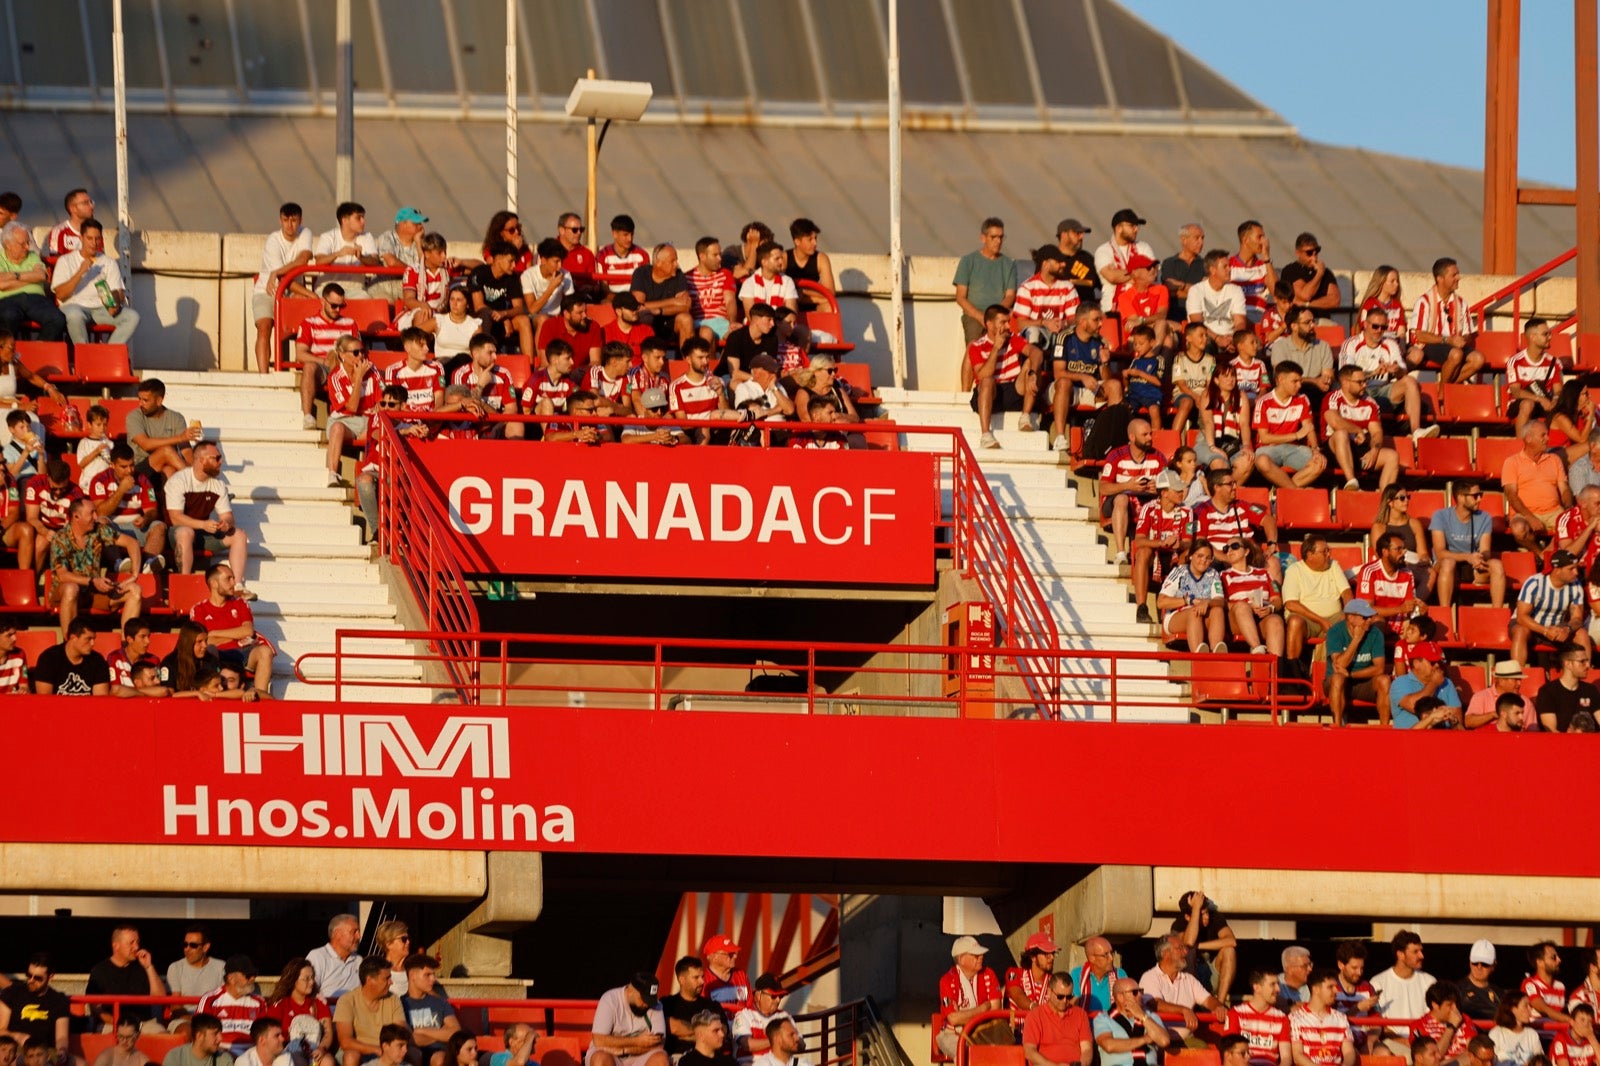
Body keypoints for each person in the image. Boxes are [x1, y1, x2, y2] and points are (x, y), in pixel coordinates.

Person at [1337, 309, 1436, 444]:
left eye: (1383, 327)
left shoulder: (1390, 344)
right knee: (1351, 385)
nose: (1379, 330)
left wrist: (1396, 370)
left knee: (1410, 381)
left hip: (1383, 392)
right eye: (1375, 326)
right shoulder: (1351, 344)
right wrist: (1373, 373)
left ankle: (1416, 431)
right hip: (1360, 393)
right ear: (1365, 325)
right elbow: (1345, 376)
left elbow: (1403, 370)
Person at [166, 441, 254, 594]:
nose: (221, 462)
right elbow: (175, 518)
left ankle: (238, 585)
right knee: (186, 532)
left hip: (202, 531)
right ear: (201, 460)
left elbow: (228, 517)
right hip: (176, 533)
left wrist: (226, 524)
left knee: (239, 535)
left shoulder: (218, 485)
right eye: (217, 458)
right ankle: (184, 582)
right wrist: (203, 524)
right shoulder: (179, 481)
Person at [51, 496, 144, 634]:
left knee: (134, 590)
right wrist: (92, 581)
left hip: (93, 592)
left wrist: (134, 575)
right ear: (76, 517)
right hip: (67, 592)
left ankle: (127, 644)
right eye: (91, 513)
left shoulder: (98, 530)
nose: (96, 517)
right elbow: (63, 575)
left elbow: (132, 543)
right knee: (72, 589)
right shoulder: (60, 538)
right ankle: (69, 643)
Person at [961, 303, 1042, 450]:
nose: (1007, 326)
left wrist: (1032, 374)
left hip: (1012, 390)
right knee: (987, 381)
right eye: (1003, 322)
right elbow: (983, 375)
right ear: (990, 325)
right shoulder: (977, 346)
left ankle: (1025, 418)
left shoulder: (1013, 339)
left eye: (1008, 322)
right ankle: (986, 435)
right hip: (988, 393)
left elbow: (1036, 352)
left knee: (1031, 363)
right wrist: (996, 348)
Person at [50, 218, 139, 345]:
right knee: (74, 316)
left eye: (97, 239)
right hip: (74, 306)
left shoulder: (108, 262)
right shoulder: (65, 260)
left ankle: (107, 355)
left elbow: (118, 291)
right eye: (89, 238)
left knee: (132, 317)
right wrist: (80, 272)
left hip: (101, 309)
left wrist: (114, 303)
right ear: (81, 238)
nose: (94, 243)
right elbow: (60, 294)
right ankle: (84, 356)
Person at [252, 203, 314, 373]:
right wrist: (311, 294)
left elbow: (303, 259)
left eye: (293, 220)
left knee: (310, 323)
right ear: (280, 220)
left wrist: (277, 272)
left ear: (300, 220)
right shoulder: (273, 240)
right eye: (286, 220)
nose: (289, 225)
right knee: (264, 326)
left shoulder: (306, 233)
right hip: (267, 292)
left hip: (293, 293)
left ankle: (305, 368)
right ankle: (263, 376)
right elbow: (284, 280)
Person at [1409, 257, 1485, 384]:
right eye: (1454, 275)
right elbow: (1419, 335)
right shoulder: (1424, 302)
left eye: (1458, 274)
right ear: (1440, 278)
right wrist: (1447, 340)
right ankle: (1443, 395)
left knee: (1479, 359)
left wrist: (1463, 340)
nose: (1458, 278)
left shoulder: (1461, 303)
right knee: (1456, 354)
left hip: (1455, 345)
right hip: (1431, 344)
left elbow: (1469, 334)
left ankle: (1444, 387)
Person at [1050, 305, 1116, 451]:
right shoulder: (1064, 337)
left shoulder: (1101, 342)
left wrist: (1105, 363)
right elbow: (1058, 373)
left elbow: (1107, 380)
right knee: (1064, 383)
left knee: (1115, 386)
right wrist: (1082, 376)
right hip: (1064, 389)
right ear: (1082, 322)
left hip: (1089, 390)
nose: (1100, 324)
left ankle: (1114, 440)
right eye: (1096, 320)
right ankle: (1060, 437)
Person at [1253, 361, 1327, 489]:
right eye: (1295, 381)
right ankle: (1293, 490)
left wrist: (1315, 449)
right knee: (1262, 462)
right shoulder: (1264, 402)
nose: (1299, 385)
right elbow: (1265, 438)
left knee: (1319, 463)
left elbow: (1309, 428)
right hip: (1269, 449)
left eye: (1300, 381)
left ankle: (1283, 490)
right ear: (1281, 379)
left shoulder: (1302, 399)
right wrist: (1296, 435)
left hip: (1294, 449)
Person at [1512, 549, 1591, 671]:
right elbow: (1521, 617)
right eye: (1571, 569)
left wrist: (1567, 629)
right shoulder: (1534, 583)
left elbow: (1577, 619)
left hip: (1557, 627)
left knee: (1582, 634)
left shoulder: (1576, 586)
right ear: (1557, 570)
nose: (1576, 573)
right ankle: (1516, 674)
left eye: (1576, 568)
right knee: (1520, 631)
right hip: (1531, 626)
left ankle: (1585, 677)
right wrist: (1545, 631)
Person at [1323, 365, 1399, 491]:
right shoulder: (1333, 398)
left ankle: (1386, 501)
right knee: (1341, 434)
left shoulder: (1370, 403)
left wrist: (1373, 452)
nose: (1364, 385)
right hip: (1334, 451)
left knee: (1392, 456)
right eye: (1360, 382)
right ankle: (1352, 482)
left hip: (1358, 449)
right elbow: (1335, 422)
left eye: (1365, 381)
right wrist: (1357, 430)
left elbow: (1377, 432)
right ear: (1345, 383)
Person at [1431, 483, 1506, 610]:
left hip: (1472, 566)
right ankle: (1445, 613)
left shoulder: (1485, 517)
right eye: (1475, 496)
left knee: (1497, 565)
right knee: (1448, 563)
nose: (1480, 499)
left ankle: (1497, 614)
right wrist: (1467, 557)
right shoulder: (1440, 516)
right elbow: (1440, 553)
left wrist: (1480, 558)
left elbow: (1485, 550)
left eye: (1480, 495)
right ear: (1460, 497)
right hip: (1448, 566)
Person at [1131, 470, 1191, 625]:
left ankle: (1180, 604)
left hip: (1175, 556)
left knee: (1188, 552)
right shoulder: (1149, 509)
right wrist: (1161, 543)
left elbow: (1188, 541)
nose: (1181, 492)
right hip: (1154, 556)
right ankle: (1141, 608)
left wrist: (1180, 544)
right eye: (1176, 490)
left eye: (1181, 489)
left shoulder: (1187, 511)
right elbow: (1139, 540)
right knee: (1143, 552)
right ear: (1164, 493)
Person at [1139, 935, 1225, 1041]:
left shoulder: (1189, 979)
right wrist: (1183, 1010)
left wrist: (1219, 1007)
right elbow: (1155, 1003)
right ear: (1166, 953)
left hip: (1187, 1040)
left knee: (1210, 1054)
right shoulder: (1149, 977)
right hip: (1157, 1040)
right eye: (1180, 948)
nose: (1185, 952)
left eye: (1184, 948)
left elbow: (1208, 1000)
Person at [1505, 421, 1573, 553]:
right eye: (1543, 435)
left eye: (1547, 435)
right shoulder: (1512, 462)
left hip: (1553, 511)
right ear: (1529, 438)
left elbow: (1564, 489)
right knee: (1519, 528)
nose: (1548, 439)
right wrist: (1530, 517)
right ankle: (1540, 554)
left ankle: (1547, 554)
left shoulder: (1554, 459)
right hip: (1524, 513)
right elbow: (1511, 495)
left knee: (1572, 525)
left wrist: (1568, 509)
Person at [1282, 534, 1353, 661]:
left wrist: (1348, 612)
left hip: (1334, 617)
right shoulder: (1294, 570)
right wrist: (1321, 620)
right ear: (1310, 555)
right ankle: (1292, 670)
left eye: (1328, 550)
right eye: (1324, 551)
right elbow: (1291, 604)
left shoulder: (1333, 565)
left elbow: (1346, 592)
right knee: (1295, 622)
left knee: (1353, 621)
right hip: (1307, 620)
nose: (1328, 555)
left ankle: (1347, 668)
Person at [87, 927, 167, 1032]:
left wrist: (149, 967)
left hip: (144, 1024)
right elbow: (95, 1009)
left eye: (137, 942)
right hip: (111, 1024)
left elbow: (160, 998)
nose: (136, 947)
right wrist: (120, 1024)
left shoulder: (143, 967)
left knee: (162, 1036)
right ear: (116, 946)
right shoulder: (99, 971)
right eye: (131, 943)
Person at [1324, 599, 1390, 727]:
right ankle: (1337, 727)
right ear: (1350, 617)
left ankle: (1384, 729)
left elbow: (1379, 669)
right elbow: (1339, 666)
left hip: (1363, 681)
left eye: (1370, 617)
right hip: (1337, 682)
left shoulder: (1375, 633)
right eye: (1365, 617)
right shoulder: (1335, 632)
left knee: (1384, 680)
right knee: (1338, 678)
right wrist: (1356, 639)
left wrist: (1351, 674)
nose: (1370, 620)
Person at [953, 218, 1017, 349]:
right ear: (983, 238)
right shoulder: (968, 261)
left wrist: (996, 316)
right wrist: (981, 317)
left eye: (1001, 237)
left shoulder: (1008, 264)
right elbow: (960, 297)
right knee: (974, 347)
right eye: (994, 237)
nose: (998, 241)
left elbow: (1010, 296)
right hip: (975, 316)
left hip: (1000, 315)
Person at [1370, 932, 1436, 1055]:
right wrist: (1403, 1041)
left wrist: (1418, 1044)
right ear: (1400, 954)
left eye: (1421, 951)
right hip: (1391, 1043)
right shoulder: (1377, 982)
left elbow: (1434, 1019)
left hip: (1424, 1045)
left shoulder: (1430, 981)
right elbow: (1378, 1025)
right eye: (1415, 952)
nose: (1421, 955)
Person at [935, 937, 1001, 1058]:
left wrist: (964, 1014)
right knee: (965, 1054)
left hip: (984, 1032)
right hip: (951, 1034)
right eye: (976, 955)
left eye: (981, 954)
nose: (981, 957)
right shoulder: (947, 980)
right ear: (961, 959)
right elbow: (953, 1019)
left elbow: (995, 1010)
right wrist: (982, 1009)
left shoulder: (989, 974)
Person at [0, 222, 65, 341]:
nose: (27, 247)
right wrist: (31, 279)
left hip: (36, 299)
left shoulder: (32, 256)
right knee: (8, 316)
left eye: (28, 242)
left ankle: (37, 349)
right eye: (22, 244)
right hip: (7, 300)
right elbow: (1, 284)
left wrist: (14, 276)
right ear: (8, 244)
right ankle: (8, 353)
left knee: (57, 318)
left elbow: (41, 276)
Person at [1218, 540, 1285, 656]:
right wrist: (1248, 607)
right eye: (1226, 548)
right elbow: (1221, 602)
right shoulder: (1224, 575)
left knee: (1276, 621)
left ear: (1246, 551)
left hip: (1261, 616)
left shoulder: (1264, 573)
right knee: (1242, 607)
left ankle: (1275, 668)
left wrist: (1270, 608)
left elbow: (1277, 600)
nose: (1229, 550)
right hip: (1237, 619)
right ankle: (1258, 649)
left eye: (1234, 546)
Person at [332, 960, 403, 1066]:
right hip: (361, 1051)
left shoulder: (393, 999)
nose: (391, 982)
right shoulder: (347, 1000)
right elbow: (345, 1041)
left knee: (415, 1053)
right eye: (386, 978)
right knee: (351, 1056)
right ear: (370, 980)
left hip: (388, 1050)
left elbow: (400, 1031)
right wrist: (377, 1050)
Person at [0, 957, 71, 1062]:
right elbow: (1, 1030)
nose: (31, 980)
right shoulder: (12, 993)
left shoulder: (59, 1000)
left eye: (37, 978)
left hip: (44, 1050)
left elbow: (62, 1036)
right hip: (16, 1048)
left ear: (50, 977)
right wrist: (18, 1036)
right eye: (29, 975)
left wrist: (62, 1050)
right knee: (20, 1060)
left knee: (80, 1063)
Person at [262, 959, 333, 1066]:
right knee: (297, 1059)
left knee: (328, 1061)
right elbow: (272, 1035)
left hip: (315, 1049)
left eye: (312, 977)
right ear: (293, 980)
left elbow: (328, 1032)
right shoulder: (280, 1004)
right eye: (306, 979)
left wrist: (321, 1049)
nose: (312, 982)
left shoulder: (318, 1002)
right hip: (287, 1050)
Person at [587, 973, 667, 1066]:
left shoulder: (655, 1005)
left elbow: (659, 1044)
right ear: (631, 991)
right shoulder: (610, 999)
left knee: (661, 1059)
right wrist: (637, 1041)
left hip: (639, 1056)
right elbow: (599, 1040)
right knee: (601, 1059)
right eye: (643, 999)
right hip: (610, 1053)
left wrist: (625, 1050)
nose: (646, 1005)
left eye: (650, 1001)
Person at [470, 242, 534, 357]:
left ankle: (528, 366)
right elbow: (479, 306)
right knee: (485, 316)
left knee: (524, 320)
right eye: (511, 261)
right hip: (480, 319)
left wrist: (504, 314)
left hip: (501, 317)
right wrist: (502, 318)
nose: (514, 265)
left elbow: (519, 308)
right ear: (498, 258)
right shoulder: (479, 273)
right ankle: (485, 358)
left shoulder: (512, 278)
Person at [1013, 247, 1080, 354]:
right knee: (1033, 332)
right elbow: (1021, 324)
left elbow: (1075, 319)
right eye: (1058, 262)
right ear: (1045, 264)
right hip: (1037, 332)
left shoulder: (1068, 286)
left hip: (1060, 332)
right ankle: (1033, 366)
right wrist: (1045, 323)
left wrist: (1064, 323)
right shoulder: (1027, 287)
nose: (1063, 264)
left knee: (1074, 332)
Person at [1268, 308, 1335, 413]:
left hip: (1316, 393)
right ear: (1294, 326)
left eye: (1313, 321)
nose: (1313, 326)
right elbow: (1283, 378)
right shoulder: (1280, 346)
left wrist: (1325, 380)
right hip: (1290, 393)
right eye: (1307, 322)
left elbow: (1328, 375)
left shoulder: (1323, 346)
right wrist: (1314, 381)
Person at [1092, 978, 1169, 1066]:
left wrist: (1142, 1016)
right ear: (1120, 996)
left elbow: (1164, 1041)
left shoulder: (1151, 1017)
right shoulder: (1103, 1018)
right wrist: (1145, 1039)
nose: (1140, 995)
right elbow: (1109, 1045)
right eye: (1135, 992)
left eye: (1141, 991)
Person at [198, 956, 264, 1055]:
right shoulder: (210, 1000)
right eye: (248, 975)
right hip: (219, 1053)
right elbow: (201, 1034)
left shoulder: (259, 1002)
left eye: (254, 975)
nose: (253, 978)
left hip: (251, 1054)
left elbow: (264, 1034)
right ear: (231, 978)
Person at [310, 201, 379, 297]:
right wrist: (338, 254)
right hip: (327, 288)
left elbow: (375, 261)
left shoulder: (367, 237)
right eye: (359, 218)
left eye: (363, 217)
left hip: (356, 290)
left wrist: (361, 257)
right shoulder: (328, 237)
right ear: (345, 220)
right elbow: (319, 261)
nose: (363, 221)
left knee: (368, 301)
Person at [399, 954, 458, 1066]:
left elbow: (455, 1033)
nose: (433, 979)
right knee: (414, 1055)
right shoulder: (400, 1004)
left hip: (438, 1053)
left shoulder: (440, 1002)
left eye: (433, 975)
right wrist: (441, 1035)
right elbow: (406, 1039)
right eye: (427, 975)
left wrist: (422, 1031)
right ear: (412, 976)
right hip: (410, 1052)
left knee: (440, 1059)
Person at [630, 244, 694, 347]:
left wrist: (659, 311)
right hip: (648, 321)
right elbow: (638, 305)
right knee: (644, 316)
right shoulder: (641, 273)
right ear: (658, 263)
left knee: (686, 319)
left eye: (676, 260)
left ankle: (686, 361)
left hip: (670, 322)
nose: (676, 264)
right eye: (672, 261)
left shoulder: (678, 275)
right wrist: (673, 301)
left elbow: (686, 306)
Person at [1095, 208, 1155, 317]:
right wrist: (1139, 272)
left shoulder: (1143, 247)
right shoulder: (1103, 250)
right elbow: (1111, 277)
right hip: (1111, 310)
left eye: (1137, 226)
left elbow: (1151, 274)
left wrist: (1121, 274)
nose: (1136, 229)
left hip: (1142, 308)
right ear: (1118, 228)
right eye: (1132, 226)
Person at [1222, 971, 1290, 1066]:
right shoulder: (1236, 1013)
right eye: (1272, 984)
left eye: (1278, 984)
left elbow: (1286, 1058)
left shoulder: (1282, 1018)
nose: (1278, 989)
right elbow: (1230, 1053)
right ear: (1257, 987)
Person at [1022, 974, 1092, 1066]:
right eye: (1060, 996)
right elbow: (1029, 1051)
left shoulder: (1080, 1015)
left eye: (1069, 997)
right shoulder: (1035, 1016)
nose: (1064, 1001)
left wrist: (1082, 1064)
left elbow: (1087, 1049)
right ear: (1049, 992)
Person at [1388, 644, 1463, 729]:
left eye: (1440, 662)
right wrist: (1433, 684)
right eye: (1432, 662)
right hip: (1409, 739)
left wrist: (1453, 720)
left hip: (1442, 739)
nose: (1437, 666)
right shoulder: (1400, 683)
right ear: (1416, 663)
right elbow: (1415, 707)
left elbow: (1459, 722)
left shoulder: (1447, 683)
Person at [661, 957, 722, 1062]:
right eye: (696, 977)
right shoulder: (666, 1004)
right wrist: (705, 1034)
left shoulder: (712, 1005)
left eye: (702, 977)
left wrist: (684, 1033)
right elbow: (673, 1028)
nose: (702, 981)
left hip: (707, 1058)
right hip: (676, 1058)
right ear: (682, 980)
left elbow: (721, 1034)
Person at [1289, 972, 1356, 1066]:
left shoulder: (1340, 1018)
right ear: (1316, 989)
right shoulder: (1296, 1018)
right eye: (1330, 987)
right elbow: (1297, 1055)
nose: (1336, 990)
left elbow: (1349, 1052)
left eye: (1335, 986)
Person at [32, 617, 111, 696]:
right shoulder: (49, 659)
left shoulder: (98, 661)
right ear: (73, 638)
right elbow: (44, 699)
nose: (92, 643)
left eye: (94, 639)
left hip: (87, 708)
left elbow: (100, 700)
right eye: (88, 639)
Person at [1188, 250, 1248, 350]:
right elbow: (1197, 323)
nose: (1229, 269)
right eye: (1225, 267)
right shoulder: (1196, 290)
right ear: (1213, 270)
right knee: (1206, 344)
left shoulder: (1236, 290)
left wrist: (1234, 339)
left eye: (1229, 266)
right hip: (1206, 336)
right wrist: (1217, 338)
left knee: (1253, 344)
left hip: (1230, 337)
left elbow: (1240, 322)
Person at [1537, 641, 1600, 732]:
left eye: (1587, 661)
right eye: (1582, 661)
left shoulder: (1591, 690)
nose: (1588, 665)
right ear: (1568, 664)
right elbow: (1551, 730)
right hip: (1561, 744)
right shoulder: (1548, 691)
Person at [1410, 984, 1476, 1062]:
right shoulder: (1419, 1026)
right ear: (1435, 1005)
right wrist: (1451, 1027)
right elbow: (1435, 1057)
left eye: (1456, 1004)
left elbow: (1474, 1052)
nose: (1455, 1009)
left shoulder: (1464, 1019)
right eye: (1449, 1005)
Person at [730, 977, 788, 1065]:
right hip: (750, 1062)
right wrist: (775, 1040)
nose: (778, 1000)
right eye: (774, 996)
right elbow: (747, 1044)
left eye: (781, 996)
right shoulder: (744, 1015)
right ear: (758, 995)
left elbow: (799, 1043)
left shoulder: (783, 1016)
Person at [307, 915, 362, 1005]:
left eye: (358, 932)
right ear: (337, 934)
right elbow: (309, 992)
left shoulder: (358, 960)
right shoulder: (318, 956)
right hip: (327, 1015)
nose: (359, 936)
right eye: (354, 932)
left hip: (355, 1016)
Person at [1160, 223, 1207, 328]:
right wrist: (1196, 291)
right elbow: (1169, 290)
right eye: (1197, 238)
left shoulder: (1206, 264)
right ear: (1184, 240)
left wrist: (1182, 285)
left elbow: (1206, 292)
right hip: (1174, 316)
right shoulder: (1170, 263)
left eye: (1202, 238)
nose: (1201, 242)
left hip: (1199, 317)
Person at [738, 241, 799, 319]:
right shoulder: (749, 283)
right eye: (777, 259)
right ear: (764, 262)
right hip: (757, 328)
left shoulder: (787, 281)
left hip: (781, 328)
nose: (781, 262)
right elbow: (751, 317)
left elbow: (791, 314)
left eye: (781, 258)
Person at [1282, 234, 1339, 313]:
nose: (1314, 257)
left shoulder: (1326, 272)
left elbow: (1335, 301)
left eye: (1316, 251)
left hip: (1322, 319)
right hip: (1298, 319)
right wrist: (1319, 274)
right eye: (1309, 253)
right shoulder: (1291, 270)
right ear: (1298, 253)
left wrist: (1307, 304)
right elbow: (1305, 295)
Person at [1070, 939, 1127, 1015]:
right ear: (1092, 958)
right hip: (1085, 1024)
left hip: (1112, 1024)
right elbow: (1073, 1008)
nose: (1111, 958)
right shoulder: (1077, 975)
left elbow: (1128, 1005)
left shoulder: (1120, 974)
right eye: (1106, 954)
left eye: (1111, 953)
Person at [1007, 935, 1062, 1013]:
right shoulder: (1014, 973)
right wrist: (1032, 1006)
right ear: (1033, 957)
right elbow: (1017, 995)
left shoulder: (1054, 981)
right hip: (1016, 1024)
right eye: (1047, 954)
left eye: (1053, 953)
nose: (1052, 957)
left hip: (1044, 1024)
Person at [702, 936, 750, 1023]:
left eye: (735, 953)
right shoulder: (703, 980)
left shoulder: (741, 975)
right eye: (730, 954)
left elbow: (749, 1006)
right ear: (713, 957)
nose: (735, 956)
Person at [1358, 267, 1408, 348]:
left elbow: (1401, 332)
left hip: (1394, 345)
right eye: (1392, 281)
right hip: (1374, 345)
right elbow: (1365, 329)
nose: (1396, 284)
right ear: (1381, 283)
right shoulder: (1369, 304)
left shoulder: (1397, 305)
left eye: (1397, 281)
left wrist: (1401, 349)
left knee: (1417, 354)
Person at [1523, 943, 1571, 1026]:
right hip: (1539, 1033)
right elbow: (1543, 1008)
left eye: (1558, 957)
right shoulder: (1530, 984)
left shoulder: (1560, 986)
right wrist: (1570, 1020)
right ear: (1540, 962)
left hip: (1556, 1033)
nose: (1559, 960)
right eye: (1553, 957)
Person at [1055, 219, 1100, 308]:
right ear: (1064, 235)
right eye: (1077, 233)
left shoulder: (1087, 258)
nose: (1081, 237)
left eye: (1082, 234)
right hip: (1060, 310)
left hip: (1087, 311)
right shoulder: (1051, 258)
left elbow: (1102, 284)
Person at [1492, 996, 1546, 1066]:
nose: (1530, 1010)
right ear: (1513, 1009)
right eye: (1526, 1006)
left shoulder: (1532, 1034)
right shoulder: (1496, 1033)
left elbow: (1540, 1060)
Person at [1457, 942, 1501, 1025]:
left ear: (1493, 965)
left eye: (1485, 964)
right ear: (1470, 961)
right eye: (1475, 962)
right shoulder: (1456, 990)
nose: (1479, 967)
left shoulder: (1501, 995)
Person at [163, 1015, 233, 1066]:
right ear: (199, 1036)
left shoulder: (224, 1059)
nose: (220, 1038)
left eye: (220, 1033)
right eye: (215, 1034)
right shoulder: (176, 1057)